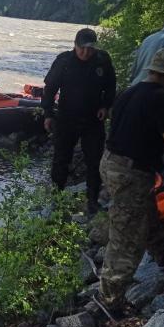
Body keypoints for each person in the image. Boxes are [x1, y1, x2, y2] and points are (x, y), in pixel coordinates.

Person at [98, 48, 164, 311]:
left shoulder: (129, 92)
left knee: (147, 213)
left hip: (110, 162)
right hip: (131, 173)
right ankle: (109, 301)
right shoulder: (162, 99)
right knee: (126, 238)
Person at [42, 28, 116, 215]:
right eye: (81, 48)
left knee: (94, 159)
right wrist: (48, 114)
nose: (85, 53)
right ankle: (57, 200)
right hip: (67, 117)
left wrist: (105, 106)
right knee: (61, 158)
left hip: (93, 119)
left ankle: (92, 201)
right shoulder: (64, 61)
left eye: (89, 49)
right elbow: (50, 88)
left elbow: (111, 86)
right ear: (75, 45)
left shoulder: (102, 60)